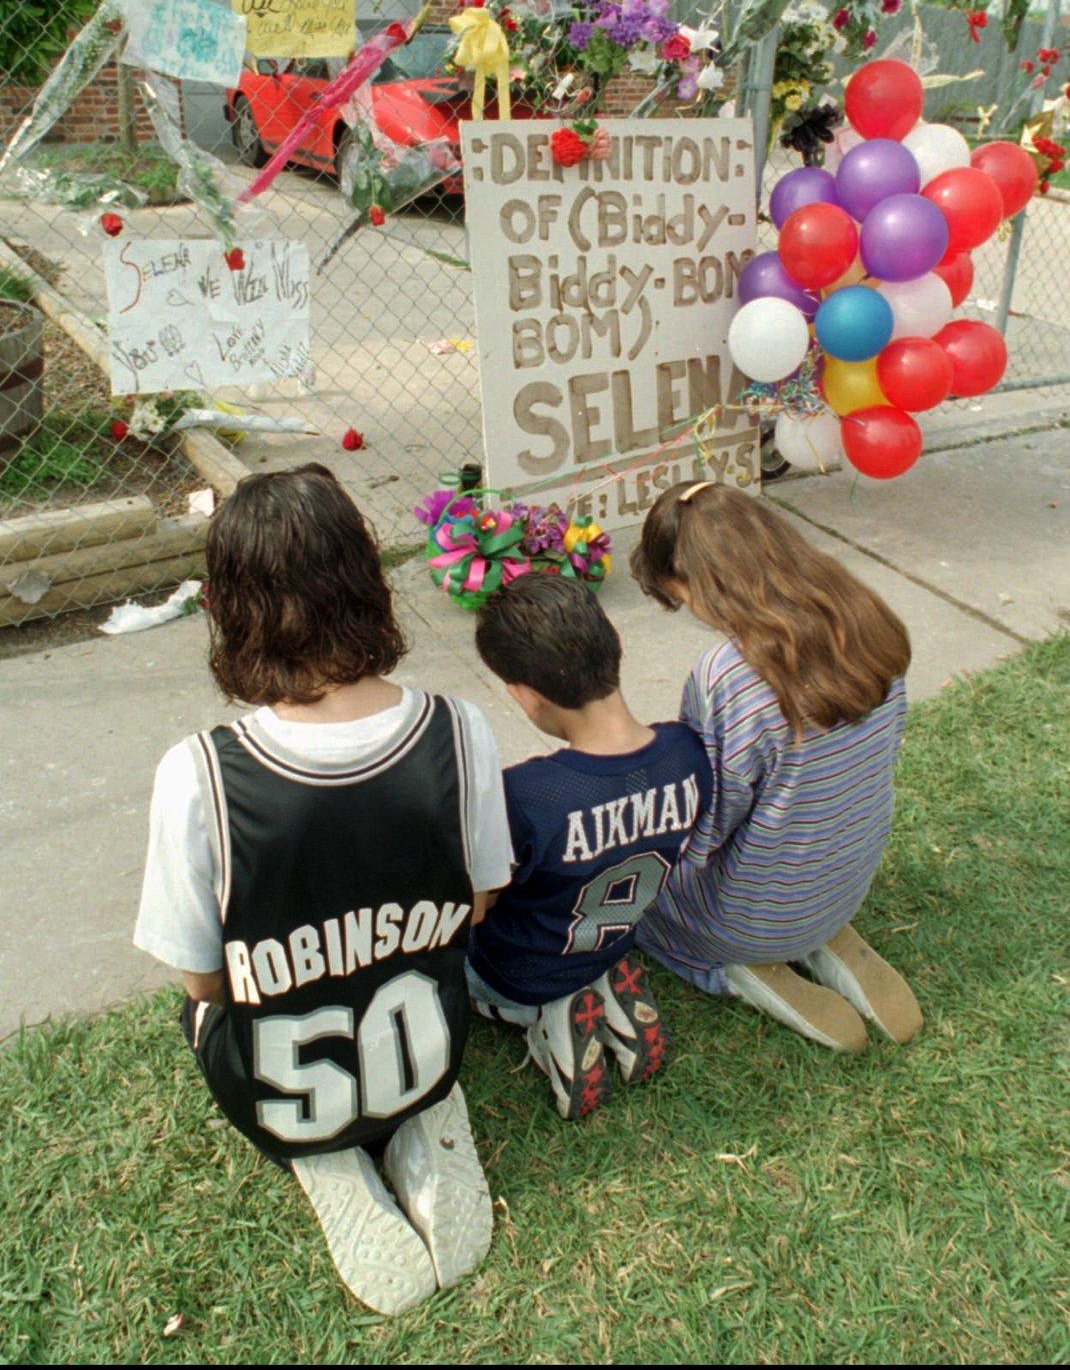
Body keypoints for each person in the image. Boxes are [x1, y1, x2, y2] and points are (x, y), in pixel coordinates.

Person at [133, 465, 513, 1316]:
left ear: (228, 607)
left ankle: (326, 1153)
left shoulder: (199, 775)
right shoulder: (460, 729)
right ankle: (416, 1117)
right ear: (366, 578)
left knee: (202, 1006)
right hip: (427, 1040)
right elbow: (481, 902)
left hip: (280, 1088)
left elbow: (202, 981)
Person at [631, 479, 923, 1054]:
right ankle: (820, 933)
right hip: (846, 879)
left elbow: (709, 826)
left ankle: (737, 966)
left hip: (748, 915)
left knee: (636, 902)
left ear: (700, 583)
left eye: (683, 597)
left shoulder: (730, 675)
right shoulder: (868, 616)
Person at [470, 572, 712, 1118]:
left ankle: (545, 1017)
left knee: (460, 955)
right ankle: (598, 992)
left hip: (515, 971)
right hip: (611, 938)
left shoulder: (528, 795)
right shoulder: (689, 753)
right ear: (614, 646)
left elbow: (478, 907)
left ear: (526, 697)